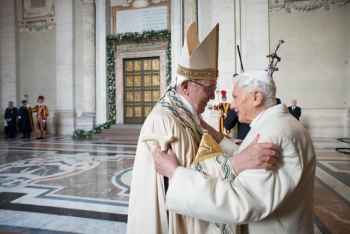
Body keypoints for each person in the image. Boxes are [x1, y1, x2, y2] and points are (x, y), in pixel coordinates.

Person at [127, 23, 280, 234]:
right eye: (209, 88)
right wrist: (236, 163)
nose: (212, 96)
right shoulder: (164, 120)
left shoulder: (188, 114)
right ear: (185, 87)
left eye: (213, 89)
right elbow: (174, 182)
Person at [153, 68, 316, 233]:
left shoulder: (275, 134)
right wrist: (217, 136)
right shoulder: (277, 123)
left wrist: (176, 175)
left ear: (256, 97)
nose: (232, 105)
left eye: (236, 97)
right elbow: (248, 156)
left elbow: (243, 202)